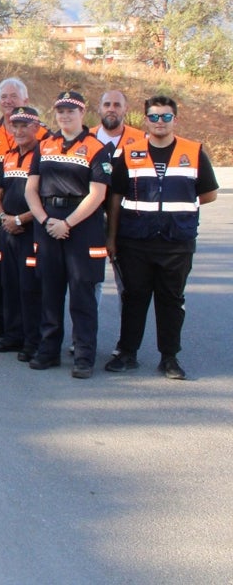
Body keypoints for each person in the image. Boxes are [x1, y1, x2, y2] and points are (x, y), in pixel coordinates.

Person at [105, 96, 219, 380]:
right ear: (145, 120)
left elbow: (209, 193)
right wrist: (112, 237)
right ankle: (127, 353)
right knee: (134, 299)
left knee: (171, 301)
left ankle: (169, 358)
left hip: (176, 242)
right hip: (136, 240)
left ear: (175, 120)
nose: (159, 122)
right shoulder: (130, 153)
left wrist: (176, 210)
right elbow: (116, 198)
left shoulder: (193, 152)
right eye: (154, 117)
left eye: (165, 117)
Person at [24, 91, 110, 379]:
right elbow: (30, 189)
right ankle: (48, 350)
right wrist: (46, 219)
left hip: (82, 226)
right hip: (48, 223)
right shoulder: (45, 145)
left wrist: (67, 223)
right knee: (50, 292)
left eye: (71, 111)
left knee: (82, 295)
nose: (65, 115)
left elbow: (97, 194)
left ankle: (84, 356)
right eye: (60, 110)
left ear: (82, 113)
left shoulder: (97, 148)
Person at [0, 78, 44, 338]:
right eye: (3, 96)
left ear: (25, 100)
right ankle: (0, 323)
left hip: (31, 220)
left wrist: (21, 219)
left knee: (29, 281)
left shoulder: (44, 139)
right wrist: (3, 216)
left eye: (13, 96)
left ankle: (31, 335)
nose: (8, 101)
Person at [0, 106, 43, 360]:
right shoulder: (9, 156)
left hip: (32, 231)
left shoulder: (44, 155)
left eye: (25, 125)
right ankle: (13, 336)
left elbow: (46, 201)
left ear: (36, 127)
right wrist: (4, 218)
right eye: (15, 125)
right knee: (9, 283)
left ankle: (33, 341)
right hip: (7, 230)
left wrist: (21, 219)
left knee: (30, 287)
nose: (19, 131)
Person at [95, 90, 146, 156]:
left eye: (117, 105)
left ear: (126, 109)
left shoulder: (142, 139)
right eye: (107, 105)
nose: (111, 109)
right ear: (99, 108)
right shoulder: (86, 137)